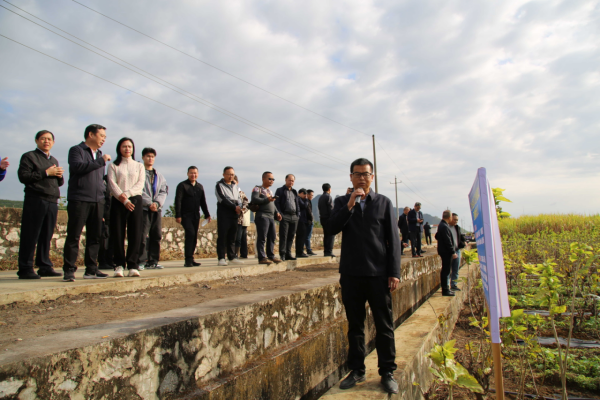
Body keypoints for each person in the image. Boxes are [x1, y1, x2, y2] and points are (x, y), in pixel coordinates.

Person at [330, 158, 401, 394]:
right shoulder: (342, 202)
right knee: (355, 326)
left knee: (384, 325)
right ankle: (357, 370)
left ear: (372, 177)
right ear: (351, 177)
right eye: (357, 174)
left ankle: (387, 371)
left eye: (366, 174)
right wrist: (350, 204)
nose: (362, 178)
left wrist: (394, 272)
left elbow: (393, 240)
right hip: (351, 274)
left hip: (378, 275)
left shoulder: (384, 203)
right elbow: (331, 228)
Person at [63, 124, 111, 282]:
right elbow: (78, 167)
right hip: (79, 199)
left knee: (95, 237)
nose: (103, 139)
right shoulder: (76, 150)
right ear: (91, 134)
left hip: (97, 201)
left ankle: (91, 269)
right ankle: (69, 270)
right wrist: (101, 161)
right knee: (74, 236)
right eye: (101, 136)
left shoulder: (100, 154)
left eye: (105, 137)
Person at [16, 130, 64, 279]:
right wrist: (46, 173)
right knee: (30, 234)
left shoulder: (54, 160)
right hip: (36, 198)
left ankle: (44, 266)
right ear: (37, 141)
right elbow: (24, 177)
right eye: (43, 138)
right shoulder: (29, 156)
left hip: (52, 200)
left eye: (49, 139)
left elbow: (58, 183)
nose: (46, 141)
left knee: (46, 235)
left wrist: (59, 175)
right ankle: (25, 268)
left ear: (53, 142)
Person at [107, 137, 145, 278]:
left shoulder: (139, 166)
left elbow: (140, 183)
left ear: (133, 149)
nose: (127, 149)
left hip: (135, 200)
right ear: (119, 148)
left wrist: (127, 195)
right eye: (124, 146)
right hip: (118, 201)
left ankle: (133, 265)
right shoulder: (113, 166)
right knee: (117, 233)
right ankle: (119, 265)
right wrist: (123, 199)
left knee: (135, 233)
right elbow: (112, 183)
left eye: (129, 146)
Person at [175, 166, 211, 267]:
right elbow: (178, 201)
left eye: (195, 173)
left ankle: (191, 258)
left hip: (196, 215)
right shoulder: (182, 185)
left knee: (194, 236)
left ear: (197, 174)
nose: (193, 175)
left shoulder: (200, 187)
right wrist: (178, 215)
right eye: (191, 173)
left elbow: (203, 202)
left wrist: (207, 214)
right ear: (187, 174)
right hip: (185, 215)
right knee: (190, 234)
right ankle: (187, 260)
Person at [138, 148, 168, 270]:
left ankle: (153, 261)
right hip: (144, 209)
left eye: (152, 156)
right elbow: (138, 190)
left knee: (156, 235)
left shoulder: (159, 176)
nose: (150, 158)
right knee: (142, 235)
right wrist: (149, 203)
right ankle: (141, 261)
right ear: (143, 158)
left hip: (156, 209)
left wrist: (157, 203)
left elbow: (163, 191)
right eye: (148, 156)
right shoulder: (139, 173)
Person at [252, 172, 283, 265]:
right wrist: (267, 199)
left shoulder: (270, 191)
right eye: (270, 179)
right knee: (262, 237)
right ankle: (262, 257)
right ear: (263, 179)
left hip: (271, 217)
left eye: (273, 179)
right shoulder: (257, 189)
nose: (272, 181)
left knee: (272, 237)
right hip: (262, 215)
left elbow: (272, 203)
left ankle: (271, 255)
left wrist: (277, 212)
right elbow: (254, 199)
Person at [215, 166, 243, 266]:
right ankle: (221, 258)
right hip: (224, 213)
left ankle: (232, 257)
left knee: (232, 236)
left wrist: (239, 207)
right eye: (229, 174)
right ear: (224, 175)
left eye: (232, 174)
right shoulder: (219, 185)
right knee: (223, 236)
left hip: (234, 214)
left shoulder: (234, 186)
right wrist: (234, 207)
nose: (231, 176)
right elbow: (222, 199)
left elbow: (239, 198)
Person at [274, 174, 300, 261]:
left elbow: (297, 204)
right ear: (285, 180)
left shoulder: (294, 192)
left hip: (294, 216)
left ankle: (288, 253)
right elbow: (277, 203)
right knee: (283, 235)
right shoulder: (280, 190)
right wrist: (280, 213)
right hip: (285, 215)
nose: (291, 182)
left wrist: (298, 215)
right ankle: (282, 254)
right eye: (289, 180)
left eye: (292, 181)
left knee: (291, 236)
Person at [436, 210, 457, 297]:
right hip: (446, 252)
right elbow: (447, 241)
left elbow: (437, 236)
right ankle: (445, 289)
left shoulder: (442, 225)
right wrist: (453, 252)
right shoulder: (444, 226)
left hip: (443, 251)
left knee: (446, 270)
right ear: (449, 217)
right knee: (446, 270)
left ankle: (446, 288)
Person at [98, 175, 115, 270]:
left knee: (112, 239)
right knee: (104, 239)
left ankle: (110, 260)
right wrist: (102, 214)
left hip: (114, 214)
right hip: (105, 214)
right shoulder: (104, 180)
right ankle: (102, 261)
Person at [234, 175, 250, 259]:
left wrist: (241, 210)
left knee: (239, 238)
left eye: (234, 182)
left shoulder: (241, 193)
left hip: (240, 219)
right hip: (230, 218)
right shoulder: (228, 192)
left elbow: (246, 204)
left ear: (237, 182)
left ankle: (236, 254)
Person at [449, 213, 466, 291]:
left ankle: (454, 285)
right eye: (454, 219)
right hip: (449, 252)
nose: (456, 221)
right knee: (448, 270)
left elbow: (460, 236)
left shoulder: (457, 227)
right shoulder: (446, 227)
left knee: (456, 269)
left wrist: (464, 241)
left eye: (457, 220)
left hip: (457, 250)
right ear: (450, 218)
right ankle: (446, 286)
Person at [318, 183, 335, 257]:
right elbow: (331, 209)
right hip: (328, 218)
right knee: (331, 235)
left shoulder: (321, 197)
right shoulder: (328, 197)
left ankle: (326, 251)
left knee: (326, 235)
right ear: (329, 189)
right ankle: (329, 251)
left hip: (322, 218)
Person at [295, 188, 309, 258]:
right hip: (300, 220)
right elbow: (304, 206)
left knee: (301, 237)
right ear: (301, 193)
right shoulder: (298, 198)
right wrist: (306, 200)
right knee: (301, 237)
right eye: (305, 195)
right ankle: (299, 252)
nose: (305, 197)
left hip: (302, 220)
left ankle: (300, 251)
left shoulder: (299, 199)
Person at [304, 189, 317, 256]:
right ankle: (308, 250)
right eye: (311, 195)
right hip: (308, 221)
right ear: (308, 194)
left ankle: (306, 250)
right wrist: (311, 220)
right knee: (307, 237)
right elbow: (308, 211)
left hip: (308, 221)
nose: (312, 196)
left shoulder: (308, 201)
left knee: (306, 237)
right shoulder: (306, 201)